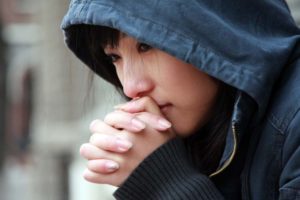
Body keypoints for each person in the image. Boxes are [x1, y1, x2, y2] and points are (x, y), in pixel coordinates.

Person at [61, 0, 300, 199]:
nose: (131, 86)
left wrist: (165, 181)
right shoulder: (204, 129)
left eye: (146, 46)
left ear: (216, 30)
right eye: (114, 57)